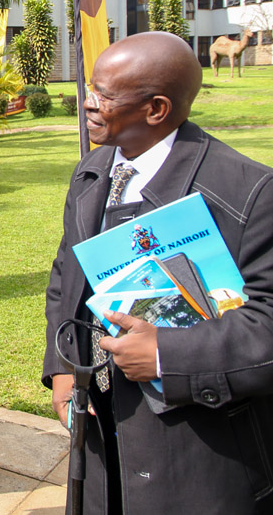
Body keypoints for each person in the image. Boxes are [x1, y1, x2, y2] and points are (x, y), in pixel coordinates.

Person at [44, 31, 273, 513]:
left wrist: (167, 354)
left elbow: (267, 323)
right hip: (102, 435)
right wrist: (64, 370)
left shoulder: (250, 193)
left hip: (199, 450)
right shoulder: (93, 171)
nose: (86, 104)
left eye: (104, 95)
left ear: (157, 109)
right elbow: (66, 274)